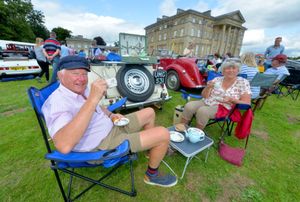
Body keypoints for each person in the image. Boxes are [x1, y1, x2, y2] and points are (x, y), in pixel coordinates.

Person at [41, 55, 177, 187]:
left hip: (111, 126)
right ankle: (151, 175)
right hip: (101, 145)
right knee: (163, 134)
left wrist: (112, 115)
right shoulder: (57, 103)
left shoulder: (80, 89)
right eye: (76, 73)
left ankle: (150, 150)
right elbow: (64, 145)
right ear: (60, 75)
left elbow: (99, 107)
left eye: (84, 74)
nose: (82, 79)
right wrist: (93, 99)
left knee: (149, 112)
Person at [181, 59, 251, 129]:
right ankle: (182, 127)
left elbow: (246, 103)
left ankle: (196, 133)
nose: (231, 70)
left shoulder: (243, 82)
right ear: (223, 71)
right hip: (208, 101)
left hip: (224, 107)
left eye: (233, 68)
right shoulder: (217, 79)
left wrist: (232, 99)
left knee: (203, 111)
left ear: (238, 70)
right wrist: (208, 87)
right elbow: (204, 95)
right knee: (189, 106)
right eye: (228, 68)